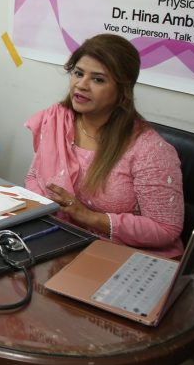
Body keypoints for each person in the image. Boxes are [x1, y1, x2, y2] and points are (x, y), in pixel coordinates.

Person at [25, 34, 184, 258]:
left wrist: (88, 217)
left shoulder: (150, 149)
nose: (81, 85)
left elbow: (165, 228)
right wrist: (44, 207)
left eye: (98, 79)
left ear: (122, 90)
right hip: (60, 240)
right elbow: (34, 177)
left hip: (123, 256)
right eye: (78, 73)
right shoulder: (57, 120)